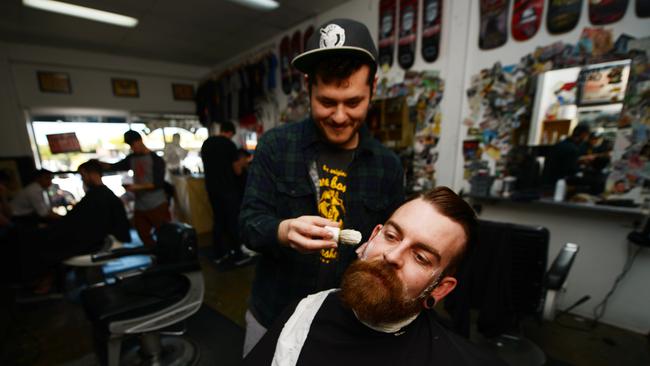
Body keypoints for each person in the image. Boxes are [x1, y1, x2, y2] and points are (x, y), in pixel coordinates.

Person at [239, 18, 405, 354]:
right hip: (274, 311)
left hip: (347, 320)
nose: (340, 116)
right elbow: (247, 225)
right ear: (308, 88)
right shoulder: (275, 146)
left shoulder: (388, 165)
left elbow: (392, 242)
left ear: (372, 88)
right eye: (327, 101)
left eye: (354, 102)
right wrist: (283, 231)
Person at [243, 187, 505, 366]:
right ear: (372, 238)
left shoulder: (455, 358)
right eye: (391, 236)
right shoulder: (304, 313)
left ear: (440, 289)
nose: (392, 256)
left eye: (421, 257)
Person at [10, 160, 131, 292]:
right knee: (44, 239)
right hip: (92, 235)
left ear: (88, 174)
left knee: (43, 242)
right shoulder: (102, 194)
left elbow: (86, 224)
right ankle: (46, 280)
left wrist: (61, 227)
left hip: (94, 239)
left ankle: (44, 282)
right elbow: (83, 221)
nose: (83, 180)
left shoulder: (99, 196)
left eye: (83, 176)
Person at [103, 130, 170, 246]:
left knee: (164, 233)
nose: (133, 148)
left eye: (134, 144)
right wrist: (102, 165)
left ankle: (165, 254)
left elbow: (158, 183)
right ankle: (155, 252)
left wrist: (136, 187)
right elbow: (115, 166)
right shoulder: (132, 158)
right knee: (142, 232)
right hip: (140, 204)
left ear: (140, 141)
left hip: (157, 203)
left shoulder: (156, 160)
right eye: (130, 146)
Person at [201, 121, 252, 266]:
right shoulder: (229, 144)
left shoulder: (207, 143)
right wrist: (245, 163)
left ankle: (219, 254)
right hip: (228, 189)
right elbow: (237, 169)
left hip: (212, 189)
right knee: (232, 222)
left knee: (218, 221)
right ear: (231, 132)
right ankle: (237, 254)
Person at [541, 123, 591, 188]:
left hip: (545, 182)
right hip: (557, 186)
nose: (586, 139)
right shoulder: (573, 149)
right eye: (586, 136)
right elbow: (571, 171)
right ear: (583, 135)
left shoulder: (559, 144)